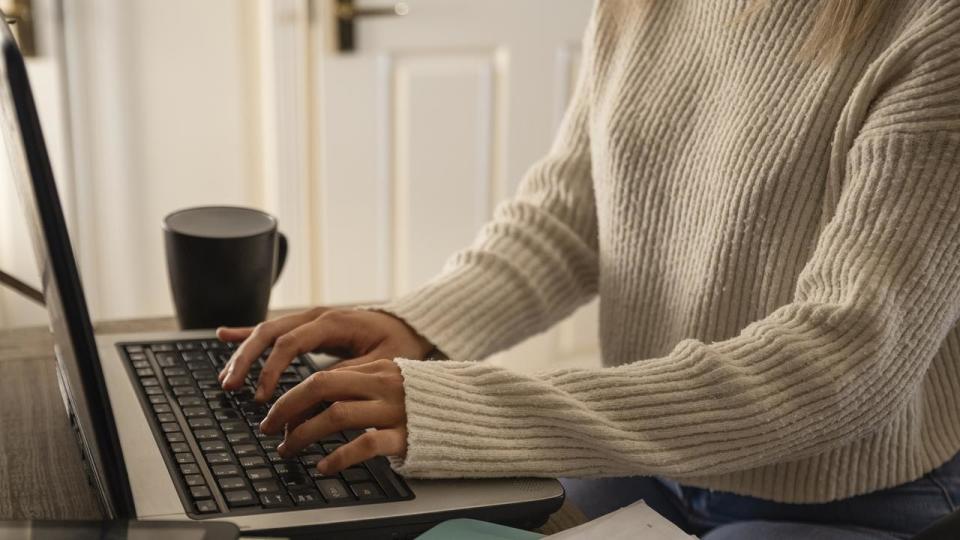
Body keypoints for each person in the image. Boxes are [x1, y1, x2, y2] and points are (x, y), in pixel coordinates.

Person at [217, 0, 960, 537]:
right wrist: (414, 324)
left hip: (846, 493)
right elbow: (568, 218)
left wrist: (471, 409)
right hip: (646, 459)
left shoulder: (936, 29)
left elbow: (844, 364)